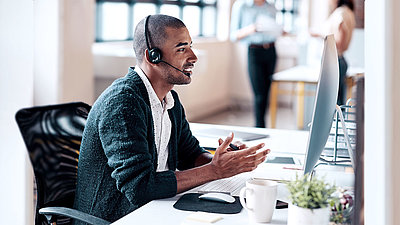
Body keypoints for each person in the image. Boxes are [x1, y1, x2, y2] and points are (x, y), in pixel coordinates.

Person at [73, 14, 270, 223]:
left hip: (152, 208)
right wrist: (214, 170)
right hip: (115, 217)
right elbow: (139, 187)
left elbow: (190, 155)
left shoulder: (169, 99)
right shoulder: (123, 103)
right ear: (153, 57)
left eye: (190, 46)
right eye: (182, 49)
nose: (193, 56)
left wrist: (224, 161)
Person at [230, 0, 283, 128]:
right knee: (259, 93)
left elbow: (275, 30)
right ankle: (260, 127)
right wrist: (252, 29)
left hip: (271, 50)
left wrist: (280, 31)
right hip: (254, 51)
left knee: (266, 92)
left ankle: (263, 125)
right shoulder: (241, 6)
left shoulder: (271, 7)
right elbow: (233, 35)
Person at [311, 0, 356, 106]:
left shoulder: (341, 13)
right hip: (339, 60)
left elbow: (339, 41)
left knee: (332, 104)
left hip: (335, 60)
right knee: (337, 102)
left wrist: (320, 35)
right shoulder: (348, 12)